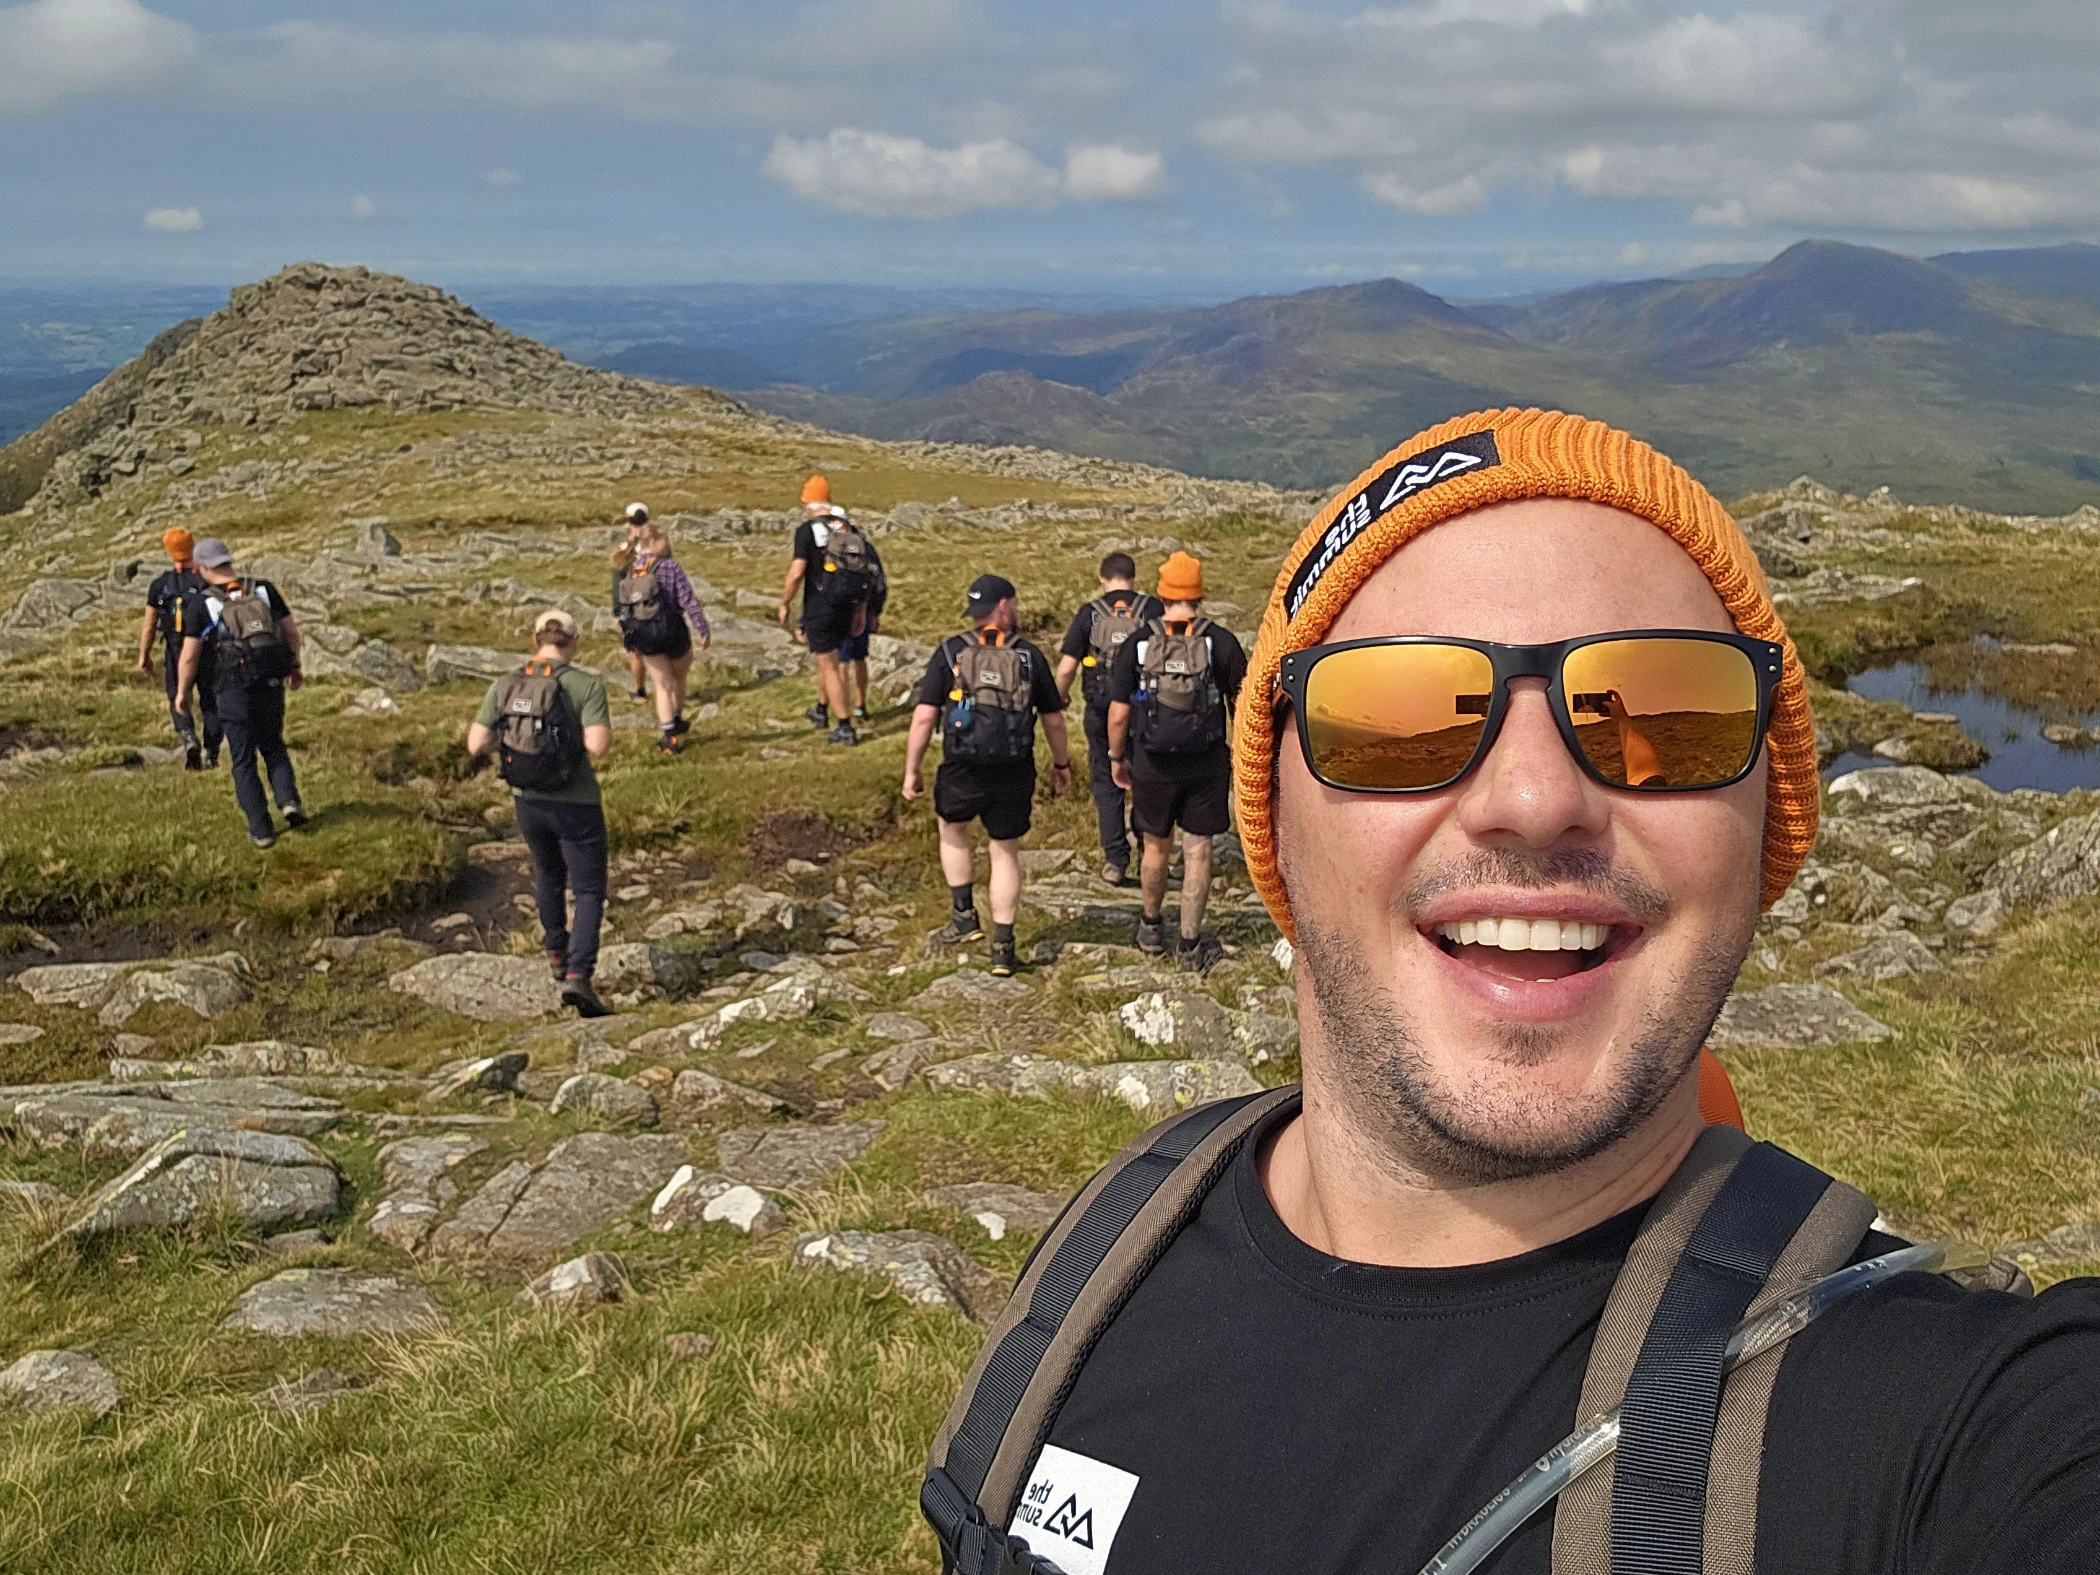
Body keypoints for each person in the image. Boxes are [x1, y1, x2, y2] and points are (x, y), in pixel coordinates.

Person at [921, 410, 2100, 1575]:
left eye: (1664, 714)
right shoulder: (1101, 1257)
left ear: (1762, 831)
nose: (1534, 801)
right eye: (1399, 714)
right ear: (1272, 812)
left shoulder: (1947, 1427)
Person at [902, 574, 1072, 978]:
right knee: (1004, 850)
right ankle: (1003, 945)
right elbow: (1053, 719)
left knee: (953, 829)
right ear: (1005, 606)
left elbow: (925, 716)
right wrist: (1061, 765)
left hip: (962, 764)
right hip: (1013, 765)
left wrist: (912, 770)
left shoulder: (950, 651)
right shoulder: (1029, 656)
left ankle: (963, 917)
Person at [467, 609, 615, 1018]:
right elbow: (598, 746)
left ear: (536, 640)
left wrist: (515, 748)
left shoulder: (505, 683)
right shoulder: (585, 685)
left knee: (548, 873)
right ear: (573, 641)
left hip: (526, 799)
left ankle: (555, 952)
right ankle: (579, 976)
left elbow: (476, 742)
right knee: (587, 890)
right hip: (577, 801)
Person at [1105, 551, 1245, 970]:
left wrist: (1117, 757)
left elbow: (1117, 713)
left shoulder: (1139, 642)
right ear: (1199, 594)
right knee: (1198, 850)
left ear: (1162, 593)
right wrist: (1239, 753)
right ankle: (1189, 942)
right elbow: (1243, 702)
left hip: (1151, 762)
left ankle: (1150, 925)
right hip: (1206, 762)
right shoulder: (1219, 641)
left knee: (1155, 845)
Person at [172, 537, 306, 848]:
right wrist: (294, 665)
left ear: (203, 567)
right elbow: (290, 631)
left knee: (243, 758)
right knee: (273, 744)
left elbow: (190, 655)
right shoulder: (264, 589)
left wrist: (182, 692)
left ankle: (261, 830)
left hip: (232, 687)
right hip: (270, 680)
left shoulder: (202, 603)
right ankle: (289, 802)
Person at [1055, 552, 1164, 887]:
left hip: (1102, 710)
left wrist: (1059, 696)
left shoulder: (1090, 613)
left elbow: (1067, 666)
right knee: (1146, 782)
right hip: (1145, 711)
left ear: (1102, 579)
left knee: (1106, 784)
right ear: (1133, 578)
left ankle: (1115, 861)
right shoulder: (1152, 610)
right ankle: (1151, 854)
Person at [778, 473, 885, 746]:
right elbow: (864, 573)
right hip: (850, 605)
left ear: (808, 502)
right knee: (841, 664)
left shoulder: (807, 531)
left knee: (830, 666)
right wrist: (862, 610)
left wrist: (785, 602)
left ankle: (843, 725)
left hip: (821, 607)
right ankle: (838, 712)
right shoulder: (849, 529)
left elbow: (797, 572)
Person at [611, 517, 710, 754]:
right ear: (654, 541)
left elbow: (625, 610)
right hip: (673, 629)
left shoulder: (630, 571)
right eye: (665, 539)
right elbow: (688, 600)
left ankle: (669, 737)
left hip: (645, 634)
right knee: (679, 676)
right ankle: (677, 717)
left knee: (661, 684)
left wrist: (630, 641)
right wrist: (702, 627)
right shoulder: (670, 566)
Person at [136, 526, 220, 770]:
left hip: (175, 648)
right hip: (208, 647)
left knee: (177, 696)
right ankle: (212, 752)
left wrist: (144, 655)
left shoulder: (161, 585)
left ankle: (188, 736)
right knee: (211, 699)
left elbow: (149, 626)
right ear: (192, 547)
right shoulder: (206, 580)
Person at [618, 502, 650, 700]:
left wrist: (617, 611)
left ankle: (640, 690)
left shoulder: (625, 549)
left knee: (635, 651)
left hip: (631, 606)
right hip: (654, 603)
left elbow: (618, 582)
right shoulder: (657, 546)